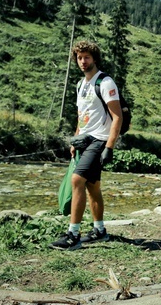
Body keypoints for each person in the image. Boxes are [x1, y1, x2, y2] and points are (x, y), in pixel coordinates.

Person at [50, 41, 123, 250]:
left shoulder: (105, 82)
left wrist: (109, 147)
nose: (83, 61)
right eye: (79, 58)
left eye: (87, 57)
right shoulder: (80, 84)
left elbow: (116, 117)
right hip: (84, 141)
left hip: (99, 140)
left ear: (94, 58)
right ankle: (99, 230)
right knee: (92, 187)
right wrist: (75, 140)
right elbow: (82, 117)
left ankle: (73, 234)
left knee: (77, 180)